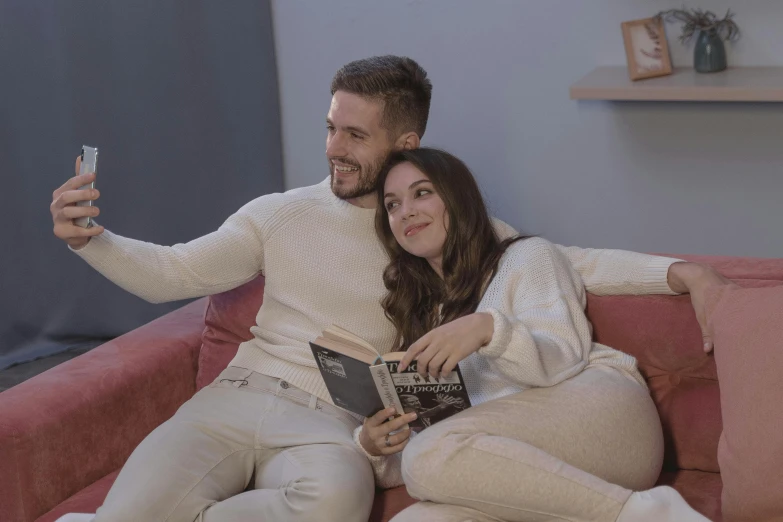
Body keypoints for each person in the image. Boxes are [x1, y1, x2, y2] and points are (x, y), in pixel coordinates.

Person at [49, 56, 728, 522]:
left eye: (354, 133)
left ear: (405, 138)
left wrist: (678, 272)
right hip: (235, 396)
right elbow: (174, 273)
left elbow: (555, 262)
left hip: (327, 425)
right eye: (329, 126)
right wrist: (91, 240)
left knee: (334, 503)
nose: (333, 148)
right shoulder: (282, 213)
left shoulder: (437, 223)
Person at [357, 147, 721, 522]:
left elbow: (563, 358)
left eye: (422, 192)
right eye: (392, 204)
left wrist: (489, 329)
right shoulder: (421, 318)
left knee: (429, 454)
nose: (407, 211)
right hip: (520, 456)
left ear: (457, 198)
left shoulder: (526, 257)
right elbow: (441, 463)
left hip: (602, 414)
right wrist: (375, 447)